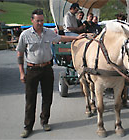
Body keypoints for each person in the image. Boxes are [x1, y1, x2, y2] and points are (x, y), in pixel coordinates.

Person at [16, 9, 84, 138]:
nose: (40, 23)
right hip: (32, 70)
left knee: (47, 98)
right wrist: (21, 72)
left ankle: (44, 121)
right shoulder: (25, 35)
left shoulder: (49, 33)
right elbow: (19, 54)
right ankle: (28, 127)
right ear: (32, 21)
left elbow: (61, 37)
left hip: (47, 69)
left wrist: (77, 37)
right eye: (38, 21)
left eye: (42, 20)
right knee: (30, 99)